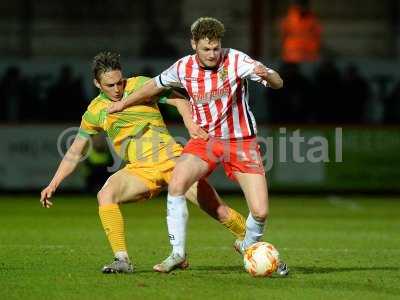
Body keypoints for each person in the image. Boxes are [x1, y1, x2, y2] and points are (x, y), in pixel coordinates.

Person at [108, 17, 289, 276]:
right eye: (206, 49)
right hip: (205, 142)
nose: (212, 54)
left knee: (260, 211)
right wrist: (123, 104)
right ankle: (177, 254)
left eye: (216, 48)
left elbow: (278, 82)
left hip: (241, 142)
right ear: (194, 44)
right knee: (178, 182)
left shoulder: (236, 60)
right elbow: (152, 86)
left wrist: (269, 75)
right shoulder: (183, 68)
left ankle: (248, 246)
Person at [40, 51, 247, 274]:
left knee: (219, 210)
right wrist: (53, 183)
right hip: (140, 171)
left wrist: (189, 121)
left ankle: (252, 241)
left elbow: (179, 99)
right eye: (110, 85)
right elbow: (74, 152)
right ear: (97, 84)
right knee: (105, 195)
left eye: (120, 82)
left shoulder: (140, 85)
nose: (117, 89)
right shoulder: (94, 112)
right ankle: (122, 260)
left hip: (173, 161)